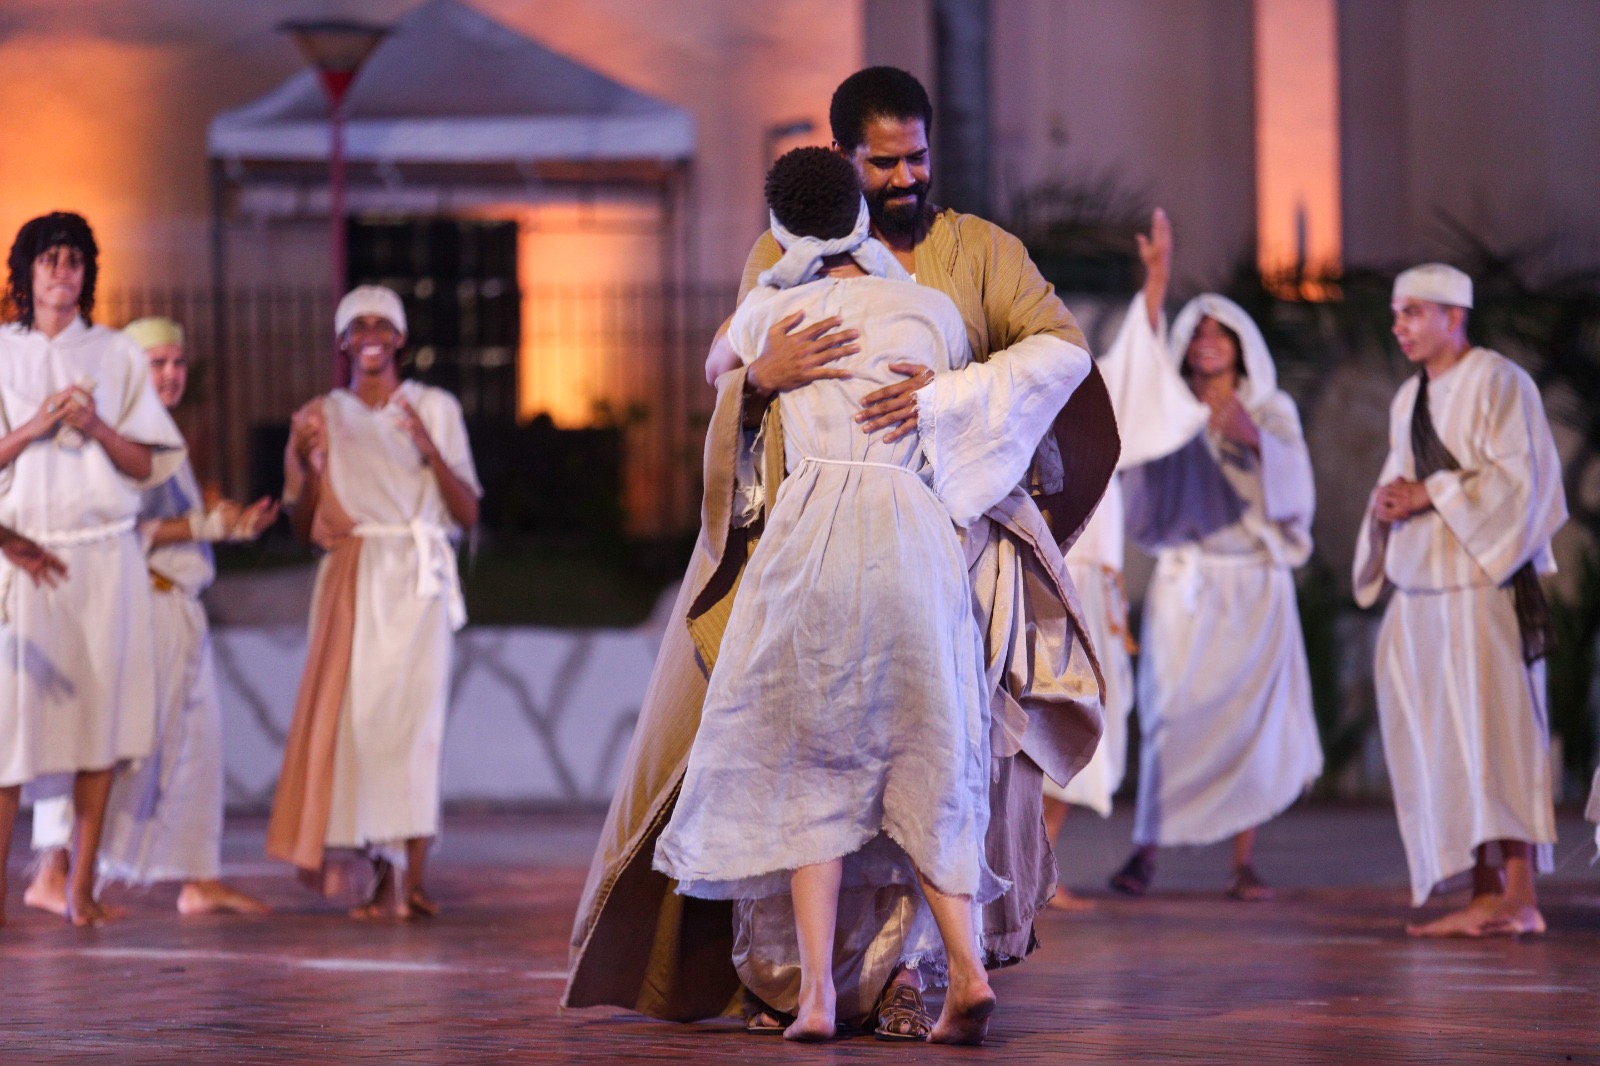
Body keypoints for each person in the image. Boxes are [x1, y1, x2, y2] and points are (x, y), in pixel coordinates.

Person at [567, 66, 1116, 1038]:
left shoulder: (978, 253)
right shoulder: (807, 279)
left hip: (931, 544)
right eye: (883, 162)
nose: (905, 176)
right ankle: (789, 977)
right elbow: (741, 384)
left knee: (849, 763)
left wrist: (947, 402)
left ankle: (887, 982)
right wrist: (761, 378)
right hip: (798, 534)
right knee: (877, 758)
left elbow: (1057, 357)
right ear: (848, 169)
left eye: (917, 156)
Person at [24, 317, 277, 917]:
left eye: (177, 362)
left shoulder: (158, 436)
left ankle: (198, 875)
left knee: (198, 744)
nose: (170, 373)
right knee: (102, 740)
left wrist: (223, 522)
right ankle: (52, 870)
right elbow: (110, 526)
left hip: (180, 607)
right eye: (155, 363)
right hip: (133, 605)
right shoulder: (104, 440)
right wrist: (205, 525)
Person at [1353, 263, 1564, 937]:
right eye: (1395, 314)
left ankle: (1520, 895)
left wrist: (1430, 493)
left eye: (1413, 312)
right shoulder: (1407, 397)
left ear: (1454, 315)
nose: (1399, 327)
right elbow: (1400, 475)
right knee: (1446, 743)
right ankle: (1483, 893)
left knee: (1497, 735)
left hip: (1481, 588)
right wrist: (1388, 504)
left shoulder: (1501, 381)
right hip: (1421, 592)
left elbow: (1523, 482)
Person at [267, 285, 481, 919]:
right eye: (356, 325)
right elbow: (306, 529)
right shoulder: (319, 416)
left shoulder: (435, 407)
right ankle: (379, 874)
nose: (369, 334)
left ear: (399, 337)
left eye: (381, 324)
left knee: (417, 730)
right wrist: (307, 470)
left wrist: (427, 448)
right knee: (362, 731)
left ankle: (411, 874)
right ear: (342, 340)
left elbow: (467, 512)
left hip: (417, 582)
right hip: (356, 577)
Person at [1106, 284, 1324, 901]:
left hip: (1255, 581)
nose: (1206, 343)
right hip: (1189, 580)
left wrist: (1254, 437)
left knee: (1250, 728)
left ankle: (1243, 862)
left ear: (1240, 345)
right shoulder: (1169, 409)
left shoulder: (1271, 406)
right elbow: (1137, 466)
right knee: (1167, 716)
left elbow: (1297, 486)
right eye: (1197, 333)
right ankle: (1146, 849)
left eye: (1218, 333)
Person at [0, 212, 186, 926]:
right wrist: (37, 426)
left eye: (75, 259)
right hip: (28, 554)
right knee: (13, 731)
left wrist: (99, 428)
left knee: (100, 727)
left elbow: (147, 465)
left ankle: (81, 888)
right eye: (49, 259)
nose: (62, 271)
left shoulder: (113, 354)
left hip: (104, 556)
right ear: (26, 270)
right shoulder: (5, 353)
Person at [1042, 209, 1208, 909]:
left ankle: (1038, 867)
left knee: (1087, 730)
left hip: (1094, 589)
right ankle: (1030, 871)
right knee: (1046, 722)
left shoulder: (1094, 382)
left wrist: (1157, 285)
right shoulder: (1014, 382)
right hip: (1047, 584)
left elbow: (1135, 358)